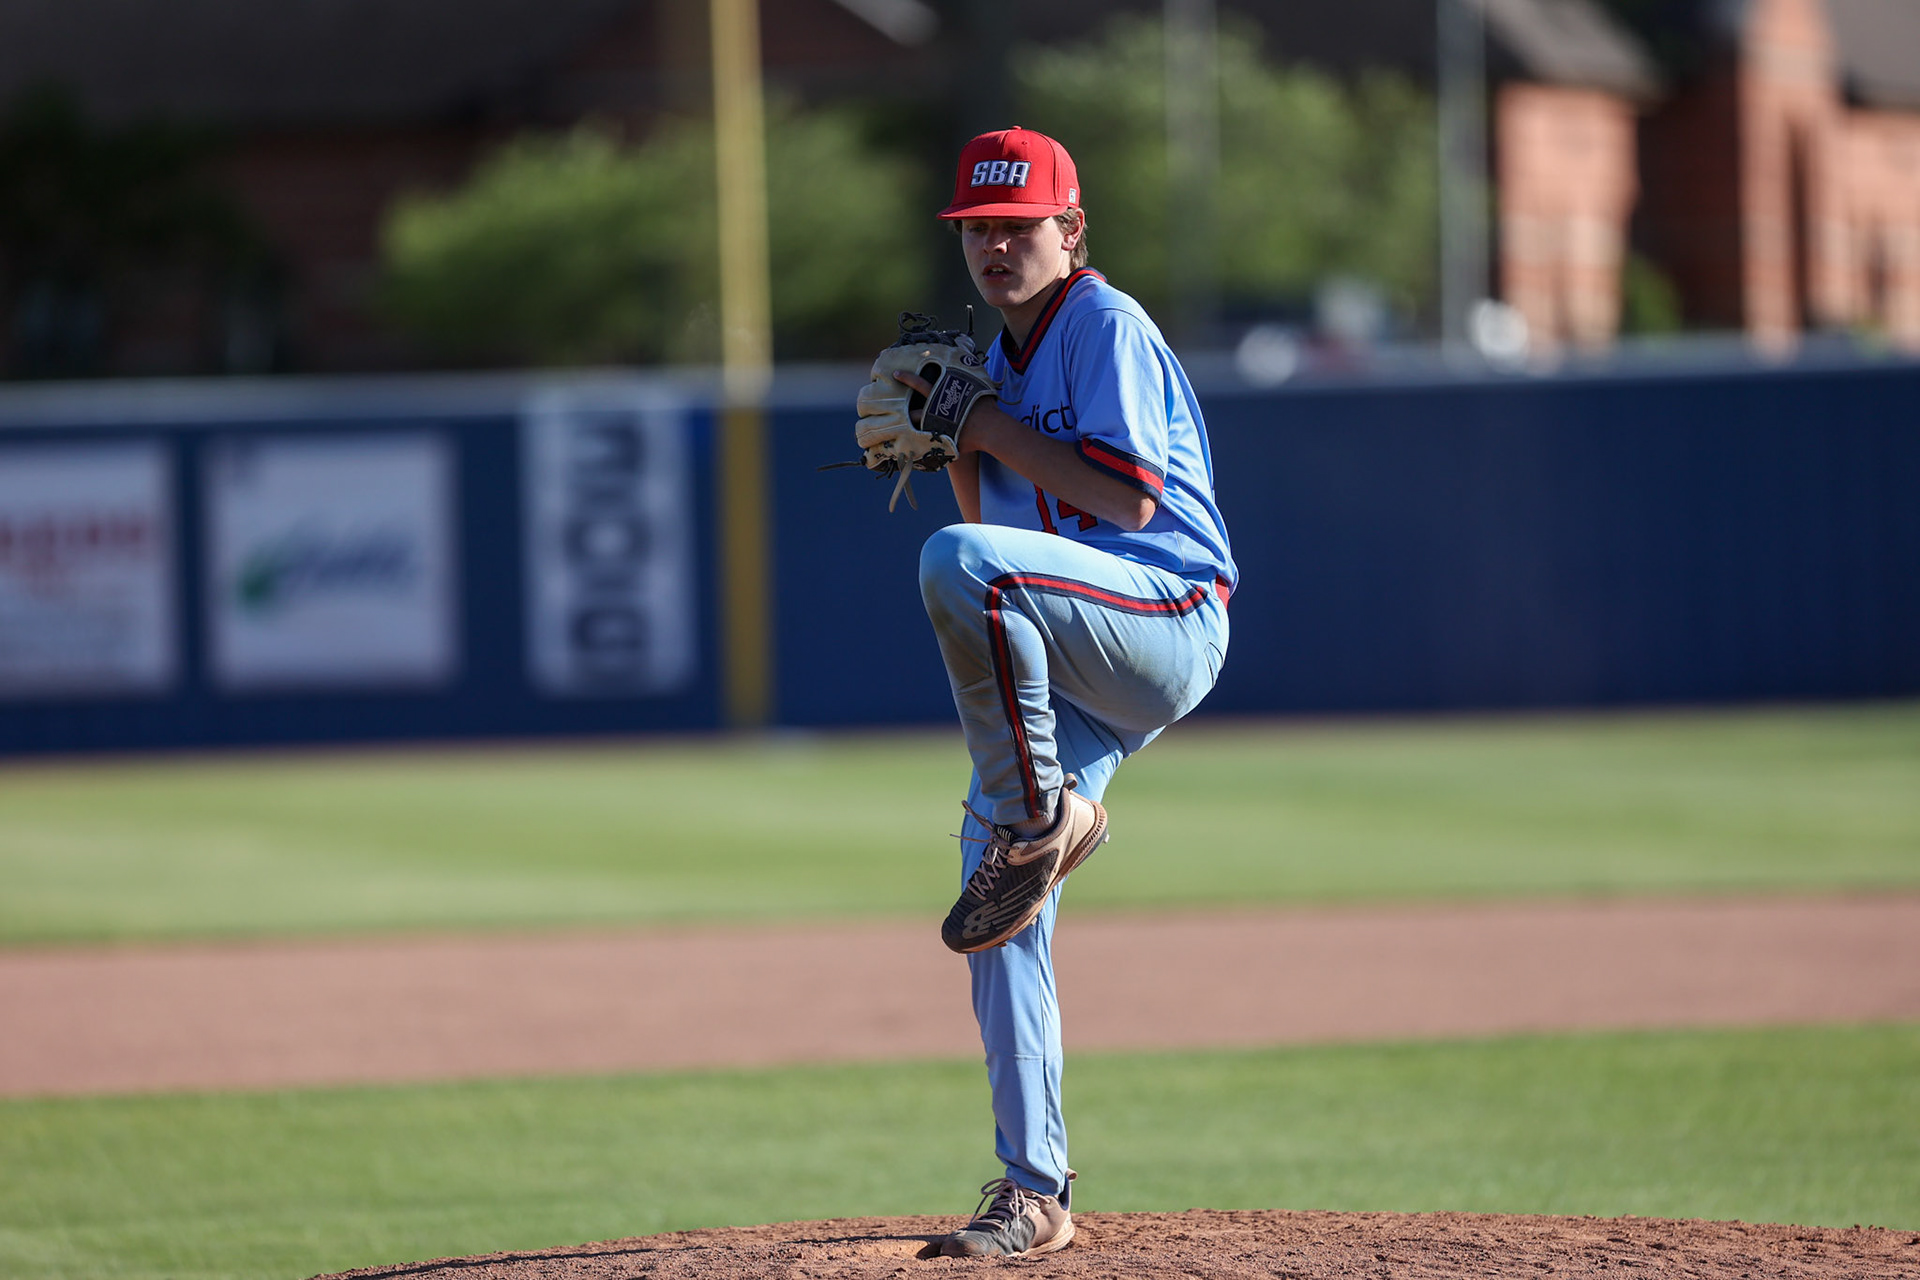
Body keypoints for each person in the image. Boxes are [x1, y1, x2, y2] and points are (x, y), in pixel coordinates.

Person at [862, 126, 1236, 1258]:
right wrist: (954, 449)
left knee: (955, 567)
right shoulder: (1000, 363)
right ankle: (1033, 1188)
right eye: (976, 227)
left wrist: (978, 423)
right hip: (1076, 634)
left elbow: (1127, 502)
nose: (994, 245)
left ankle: (1043, 816)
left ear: (1070, 229)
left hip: (1167, 612)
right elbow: (1003, 538)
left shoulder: (1102, 323)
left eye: (1017, 225)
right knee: (995, 890)